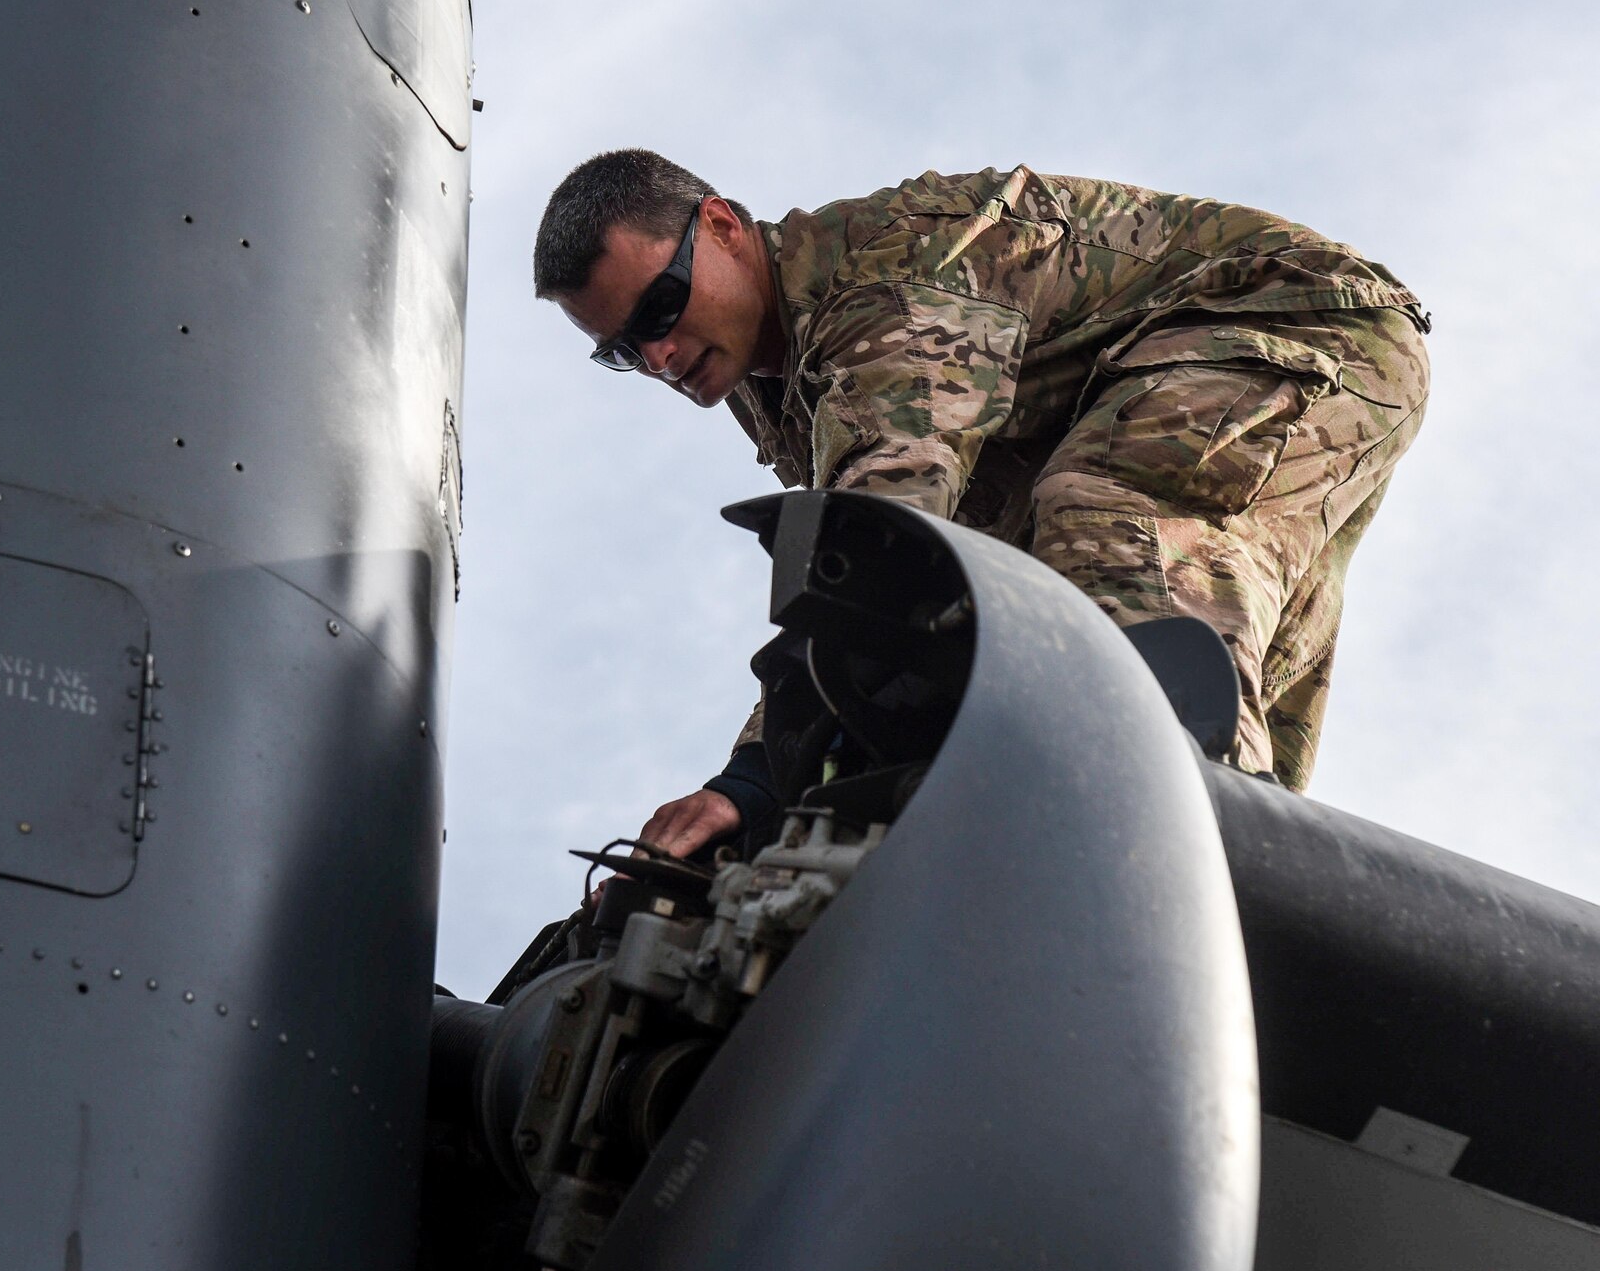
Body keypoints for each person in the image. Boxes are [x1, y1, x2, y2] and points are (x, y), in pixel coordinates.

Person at [533, 150, 1431, 860]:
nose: (657, 356)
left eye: (658, 308)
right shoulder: (775, 386)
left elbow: (880, 545)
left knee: (1108, 524)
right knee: (1173, 660)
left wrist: (755, 777)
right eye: (621, 351)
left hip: (1298, 330)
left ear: (723, 228)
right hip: (1232, 384)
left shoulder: (881, 296)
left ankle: (1179, 844)